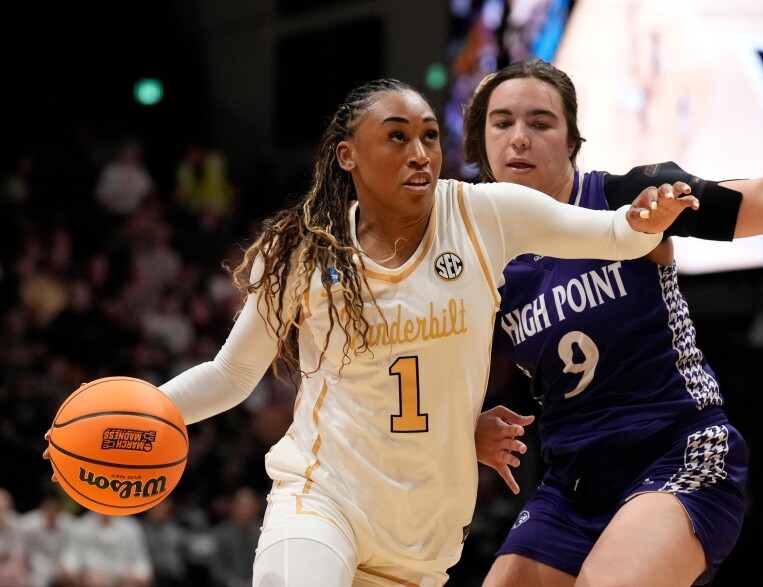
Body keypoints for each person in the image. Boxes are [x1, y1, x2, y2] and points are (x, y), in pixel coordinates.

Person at [46, 78, 696, 586]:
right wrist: (131, 415)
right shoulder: (300, 246)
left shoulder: (481, 213)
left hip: (423, 531)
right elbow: (230, 374)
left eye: (428, 136)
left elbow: (611, 233)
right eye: (396, 137)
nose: (418, 151)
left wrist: (644, 219)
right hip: (322, 497)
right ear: (348, 155)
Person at [467, 10, 763, 587]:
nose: (519, 136)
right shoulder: (478, 259)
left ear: (572, 141)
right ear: (482, 142)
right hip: (572, 485)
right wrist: (465, 425)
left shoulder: (627, 197)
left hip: (678, 455)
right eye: (502, 122)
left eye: (540, 122)